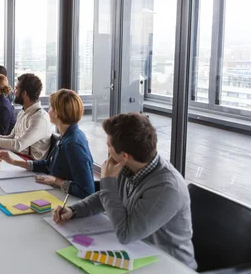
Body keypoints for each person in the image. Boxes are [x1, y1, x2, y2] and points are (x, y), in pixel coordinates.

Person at [53, 113, 197, 270]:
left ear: (124, 156)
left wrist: (107, 181)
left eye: (108, 145)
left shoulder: (167, 188)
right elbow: (105, 198)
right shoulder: (128, 166)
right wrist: (73, 210)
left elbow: (126, 234)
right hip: (138, 253)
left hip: (169, 266)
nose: (106, 149)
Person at [0, 89, 94, 198]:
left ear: (57, 112)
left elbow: (87, 191)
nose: (48, 111)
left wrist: (57, 181)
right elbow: (48, 165)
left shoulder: (73, 144)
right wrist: (14, 161)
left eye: (51, 107)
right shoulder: (66, 136)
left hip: (68, 201)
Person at [0, 73, 52, 160]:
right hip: (16, 155)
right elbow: (11, 137)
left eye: (16, 89)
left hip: (28, 162)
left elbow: (18, 145)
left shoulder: (39, 118)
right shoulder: (23, 112)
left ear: (24, 93)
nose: (13, 92)